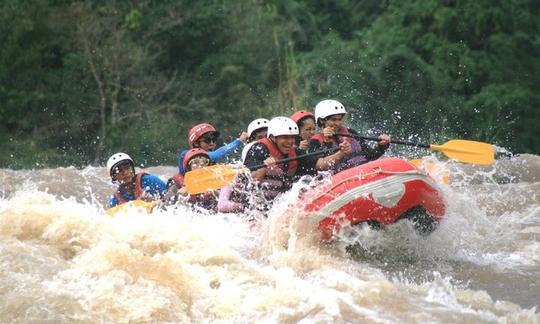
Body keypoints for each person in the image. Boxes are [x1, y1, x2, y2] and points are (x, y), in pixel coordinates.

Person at [244, 116, 351, 202]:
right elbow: (251, 180)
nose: (290, 142)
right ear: (273, 138)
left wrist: (340, 153)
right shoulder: (259, 149)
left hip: (279, 200)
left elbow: (320, 164)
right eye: (285, 137)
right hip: (255, 201)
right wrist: (264, 168)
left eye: (292, 137)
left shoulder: (294, 152)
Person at [309, 99, 391, 173]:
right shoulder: (315, 142)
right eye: (333, 120)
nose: (338, 123)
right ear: (321, 120)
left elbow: (371, 156)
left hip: (364, 172)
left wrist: (382, 146)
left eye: (339, 119)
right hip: (341, 180)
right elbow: (320, 168)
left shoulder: (351, 133)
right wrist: (327, 142)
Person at [177, 123, 248, 175]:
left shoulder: (211, 160)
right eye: (207, 140)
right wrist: (239, 140)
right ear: (196, 143)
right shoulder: (186, 154)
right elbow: (217, 154)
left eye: (214, 140)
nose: (212, 143)